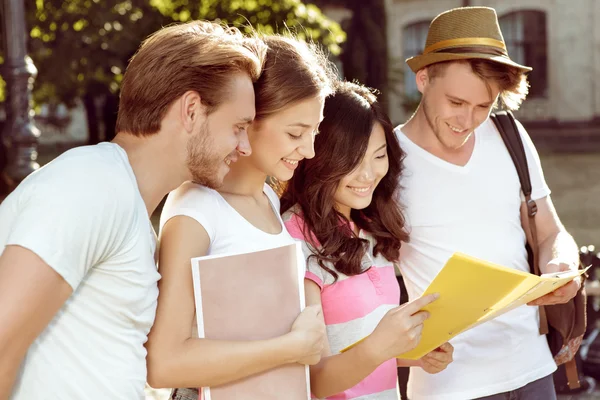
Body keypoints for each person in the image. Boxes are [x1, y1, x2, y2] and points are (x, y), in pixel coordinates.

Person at [0, 20, 266, 400]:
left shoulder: (126, 204)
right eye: (239, 126)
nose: (245, 147)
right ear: (191, 110)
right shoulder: (91, 185)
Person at [395, 6, 581, 400]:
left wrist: (560, 265)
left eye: (484, 106)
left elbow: (551, 231)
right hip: (449, 385)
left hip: (533, 371)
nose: (468, 120)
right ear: (423, 79)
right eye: (456, 102)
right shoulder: (386, 162)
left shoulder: (510, 134)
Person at [145, 34, 337, 398]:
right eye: (296, 132)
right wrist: (290, 348)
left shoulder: (267, 197)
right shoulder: (197, 208)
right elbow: (163, 363)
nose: (310, 150)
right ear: (248, 120)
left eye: (315, 131)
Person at [280, 81, 454, 399]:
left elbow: (357, 343)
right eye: (352, 161)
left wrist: (415, 353)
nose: (368, 175)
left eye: (378, 156)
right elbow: (312, 381)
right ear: (319, 158)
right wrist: (378, 347)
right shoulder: (294, 238)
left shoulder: (370, 229)